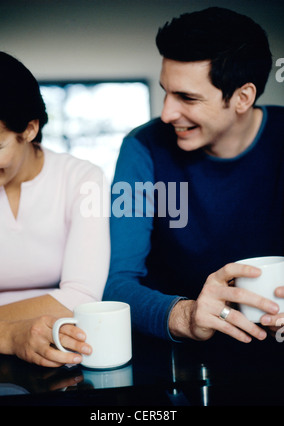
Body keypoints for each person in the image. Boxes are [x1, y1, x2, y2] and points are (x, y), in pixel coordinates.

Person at [103, 7, 284, 344]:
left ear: (243, 97)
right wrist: (187, 316)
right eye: (166, 91)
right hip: (177, 362)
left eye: (187, 97)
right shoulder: (141, 149)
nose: (167, 113)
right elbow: (116, 283)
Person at [0, 50, 110, 366]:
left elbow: (81, 298)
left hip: (55, 350)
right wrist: (0, 335)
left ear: (28, 129)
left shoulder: (82, 178)